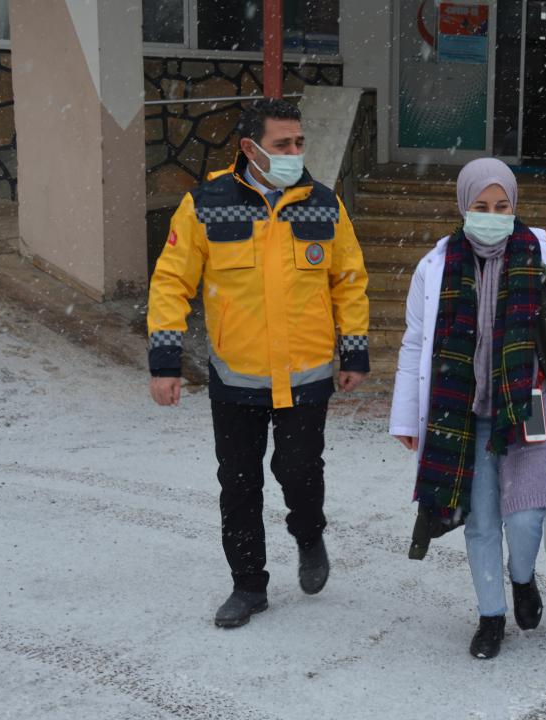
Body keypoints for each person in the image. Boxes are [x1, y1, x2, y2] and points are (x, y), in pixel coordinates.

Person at [147, 98, 371, 628]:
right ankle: (248, 586)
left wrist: (354, 350)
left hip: (306, 374)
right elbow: (171, 282)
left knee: (299, 471)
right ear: (250, 148)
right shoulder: (204, 204)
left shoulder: (324, 204)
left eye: (299, 143)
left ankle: (309, 534)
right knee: (239, 485)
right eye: (282, 144)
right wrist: (165, 361)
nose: (294, 152)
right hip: (236, 376)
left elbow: (348, 280)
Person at [389, 158, 546, 660]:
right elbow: (416, 342)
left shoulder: (539, 258)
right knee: (482, 522)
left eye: (502, 206)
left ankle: (522, 577)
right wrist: (405, 415)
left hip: (530, 405)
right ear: (464, 206)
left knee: (526, 517)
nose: (492, 216)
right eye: (481, 206)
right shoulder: (435, 267)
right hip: (464, 412)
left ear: (514, 207)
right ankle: (491, 616)